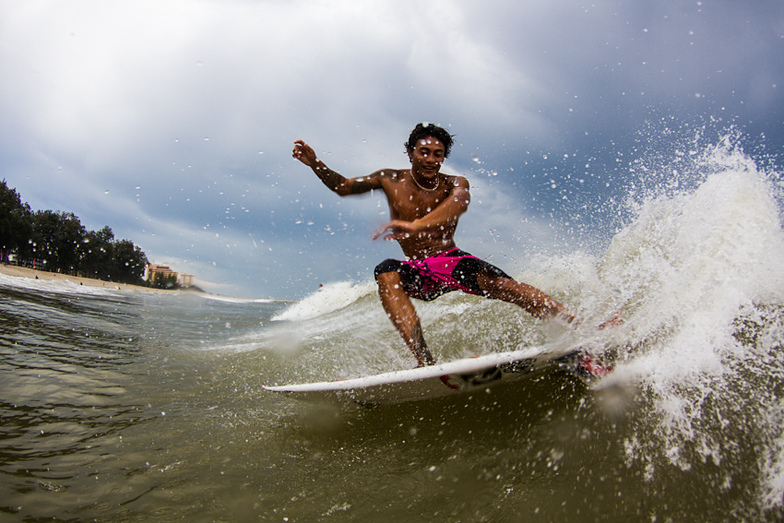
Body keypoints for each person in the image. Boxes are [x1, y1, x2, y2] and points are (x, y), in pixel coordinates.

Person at [293, 123, 580, 367]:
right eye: (424, 152)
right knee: (386, 271)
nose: (431, 159)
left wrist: (417, 225)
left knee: (504, 286)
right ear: (410, 153)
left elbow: (459, 203)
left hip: (451, 261)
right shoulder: (389, 179)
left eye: (438, 154)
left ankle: (576, 324)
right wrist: (315, 163)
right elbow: (344, 186)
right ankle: (425, 362)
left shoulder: (455, 183)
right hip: (418, 272)